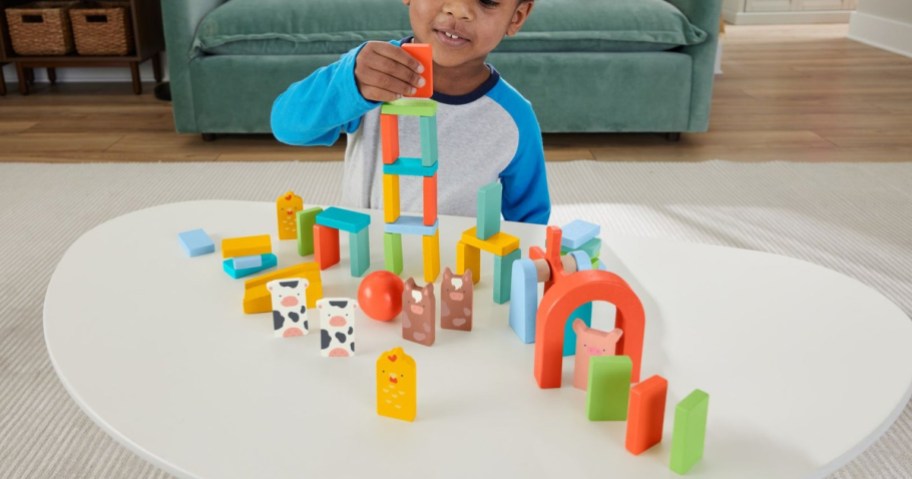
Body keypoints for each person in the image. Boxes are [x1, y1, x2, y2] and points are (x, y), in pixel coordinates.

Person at [272, 0, 550, 224]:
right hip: (367, 265)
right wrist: (350, 83)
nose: (459, 9)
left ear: (516, 16)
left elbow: (530, 223)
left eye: (488, 1)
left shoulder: (515, 120)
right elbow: (286, 126)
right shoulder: (369, 75)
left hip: (451, 274)